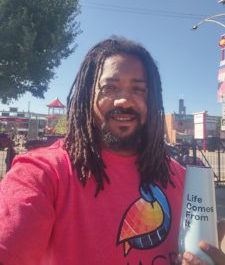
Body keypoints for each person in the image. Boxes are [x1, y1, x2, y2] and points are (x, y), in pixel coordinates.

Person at [0, 37, 224, 264]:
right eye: (109, 87)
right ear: (88, 95)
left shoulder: (181, 179)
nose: (124, 100)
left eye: (138, 89)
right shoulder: (41, 175)